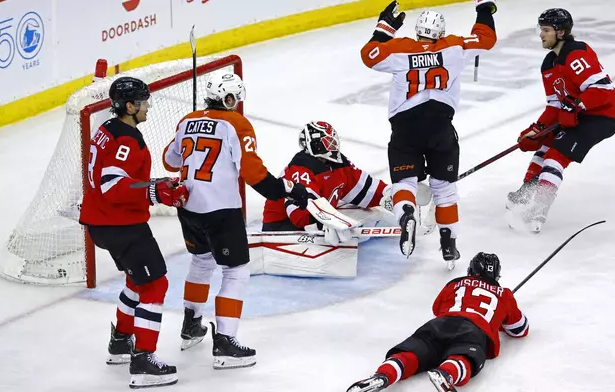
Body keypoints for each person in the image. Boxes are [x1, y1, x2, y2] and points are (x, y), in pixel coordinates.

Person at [162, 71, 308, 369]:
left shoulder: (186, 120)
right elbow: (253, 173)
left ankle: (191, 325)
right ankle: (225, 343)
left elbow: (170, 160)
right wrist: (285, 190)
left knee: (202, 261)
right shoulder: (236, 123)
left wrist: (192, 131)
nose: (236, 102)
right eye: (234, 98)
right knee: (237, 272)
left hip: (188, 207)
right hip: (221, 211)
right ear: (227, 98)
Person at [360, 0, 497, 262]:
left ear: (417, 30)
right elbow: (486, 39)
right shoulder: (454, 47)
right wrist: (484, 7)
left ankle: (408, 215)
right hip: (440, 127)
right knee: (444, 189)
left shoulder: (400, 49)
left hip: (405, 127)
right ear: (440, 33)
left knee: (404, 183)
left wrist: (385, 28)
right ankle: (448, 244)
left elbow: (369, 55)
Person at [79, 77, 189, 388]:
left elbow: (116, 178)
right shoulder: (127, 140)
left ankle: (120, 341)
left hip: (102, 221)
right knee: (155, 284)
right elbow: (114, 186)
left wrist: (154, 183)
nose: (147, 107)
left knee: (136, 279)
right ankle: (143, 360)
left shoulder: (108, 130)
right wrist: (154, 192)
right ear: (129, 107)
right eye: (142, 102)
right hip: (121, 224)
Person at [508, 8, 615, 233]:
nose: (540, 35)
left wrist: (575, 105)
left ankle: (539, 210)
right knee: (544, 144)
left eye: (545, 30)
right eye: (540, 30)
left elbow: (603, 92)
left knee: (557, 155)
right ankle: (525, 194)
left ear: (560, 33)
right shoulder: (549, 64)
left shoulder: (576, 54)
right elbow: (555, 105)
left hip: (605, 114)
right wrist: (538, 129)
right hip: (581, 112)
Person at [346, 252, 528, 392]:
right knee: (464, 357)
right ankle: (446, 374)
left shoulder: (455, 283)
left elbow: (437, 308)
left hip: (439, 324)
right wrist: (499, 321)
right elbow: (520, 329)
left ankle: (383, 375)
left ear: (471, 270)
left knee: (412, 354)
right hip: (473, 331)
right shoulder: (504, 294)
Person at [262, 121, 388, 245]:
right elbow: (299, 214)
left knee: (371, 214)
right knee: (342, 235)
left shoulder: (337, 164)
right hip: (281, 226)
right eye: (328, 143)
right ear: (315, 145)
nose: (333, 147)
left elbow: (363, 188)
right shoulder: (301, 168)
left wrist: (388, 195)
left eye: (334, 142)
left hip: (318, 218)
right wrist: (323, 225)